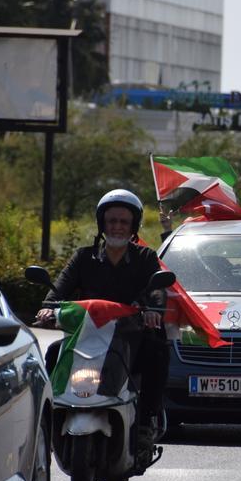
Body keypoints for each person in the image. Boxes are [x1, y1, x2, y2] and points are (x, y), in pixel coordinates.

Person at [36, 189, 169, 442]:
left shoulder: (146, 257)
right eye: (112, 221)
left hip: (130, 340)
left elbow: (158, 292)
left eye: (124, 222)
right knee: (54, 352)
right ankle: (49, 417)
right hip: (87, 339)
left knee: (158, 351)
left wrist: (153, 311)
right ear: (102, 223)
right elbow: (59, 288)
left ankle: (147, 419)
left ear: (133, 227)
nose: (117, 227)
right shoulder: (83, 258)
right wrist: (48, 307)